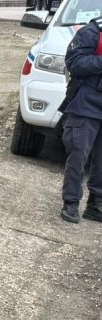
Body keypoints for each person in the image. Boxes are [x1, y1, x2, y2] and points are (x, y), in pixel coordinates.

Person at [59, 16, 102, 223]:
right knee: (78, 154)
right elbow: (74, 63)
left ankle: (96, 204)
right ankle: (71, 203)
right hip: (86, 103)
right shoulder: (92, 31)